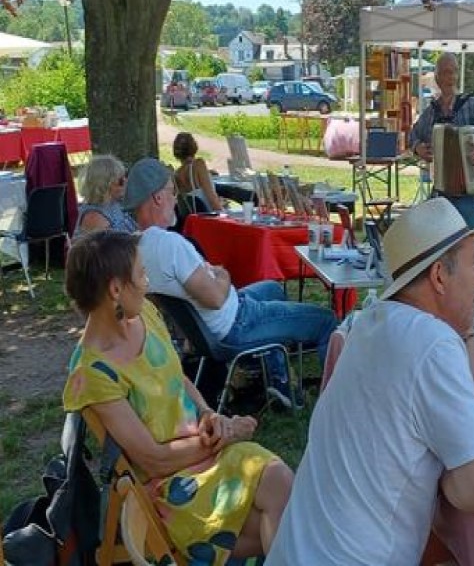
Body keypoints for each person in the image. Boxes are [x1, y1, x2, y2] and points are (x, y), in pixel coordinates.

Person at [267, 198, 474, 565]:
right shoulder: (430, 342)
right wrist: (446, 473)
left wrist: (468, 330)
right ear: (439, 276)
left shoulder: (372, 321)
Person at [62, 230, 293, 564]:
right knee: (277, 521)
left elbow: (176, 377)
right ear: (115, 289)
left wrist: (207, 414)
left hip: (205, 454)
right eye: (141, 274)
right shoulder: (94, 372)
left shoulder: (144, 316)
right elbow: (153, 460)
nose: (147, 281)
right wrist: (223, 437)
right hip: (171, 485)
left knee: (282, 486)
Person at [123, 158, 337, 400]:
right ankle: (335, 400)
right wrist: (222, 274)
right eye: (172, 192)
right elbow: (215, 297)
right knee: (327, 321)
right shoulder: (169, 244)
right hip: (235, 325)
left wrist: (213, 276)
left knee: (271, 288)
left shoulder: (135, 246)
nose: (175, 199)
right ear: (157, 197)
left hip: (209, 328)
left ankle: (278, 381)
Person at [409, 52, 474, 297]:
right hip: (442, 192)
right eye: (445, 72)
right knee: (437, 249)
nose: (449, 77)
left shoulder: (471, 105)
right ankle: (449, 297)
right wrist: (418, 147)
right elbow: (413, 135)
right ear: (437, 78)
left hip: (468, 193)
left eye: (453, 71)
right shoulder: (431, 112)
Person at [75, 154, 138, 236]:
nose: (126, 182)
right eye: (121, 181)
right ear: (105, 185)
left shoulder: (115, 204)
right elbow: (108, 248)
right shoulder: (94, 218)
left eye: (125, 177)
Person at [173, 131, 223, 212]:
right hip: (208, 217)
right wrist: (224, 214)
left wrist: (208, 173)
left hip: (193, 219)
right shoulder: (199, 164)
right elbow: (212, 199)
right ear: (194, 146)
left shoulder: (176, 174)